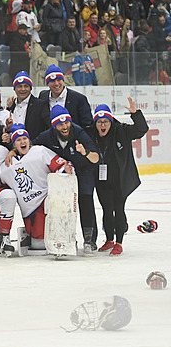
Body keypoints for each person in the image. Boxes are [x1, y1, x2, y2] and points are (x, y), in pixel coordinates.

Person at [32, 105, 100, 255]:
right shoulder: (47, 136)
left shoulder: (78, 132)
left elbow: (96, 158)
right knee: (62, 205)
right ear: (54, 126)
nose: (65, 127)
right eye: (61, 124)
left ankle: (89, 239)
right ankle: (66, 239)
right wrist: (13, 151)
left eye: (67, 123)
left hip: (83, 171)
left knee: (86, 198)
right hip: (63, 175)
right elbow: (31, 147)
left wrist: (85, 152)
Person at [86, 102, 148, 256]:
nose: (102, 125)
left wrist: (136, 114)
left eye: (106, 121)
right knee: (107, 210)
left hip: (120, 180)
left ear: (111, 121)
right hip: (101, 180)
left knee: (118, 209)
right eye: (99, 122)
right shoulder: (91, 132)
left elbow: (142, 129)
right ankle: (109, 240)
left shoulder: (121, 130)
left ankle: (119, 242)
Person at [0, 124, 73, 250]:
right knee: (38, 245)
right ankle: (12, 237)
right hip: (29, 210)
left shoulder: (39, 151)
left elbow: (61, 166)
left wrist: (66, 170)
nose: (23, 142)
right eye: (18, 140)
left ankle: (63, 235)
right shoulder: (6, 167)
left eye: (25, 139)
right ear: (14, 145)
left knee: (53, 202)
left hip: (46, 200)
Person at [6, 71, 50, 140]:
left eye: (26, 86)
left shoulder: (40, 105)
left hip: (34, 147)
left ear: (30, 88)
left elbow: (49, 128)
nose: (23, 89)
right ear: (14, 88)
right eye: (19, 86)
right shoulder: (10, 107)